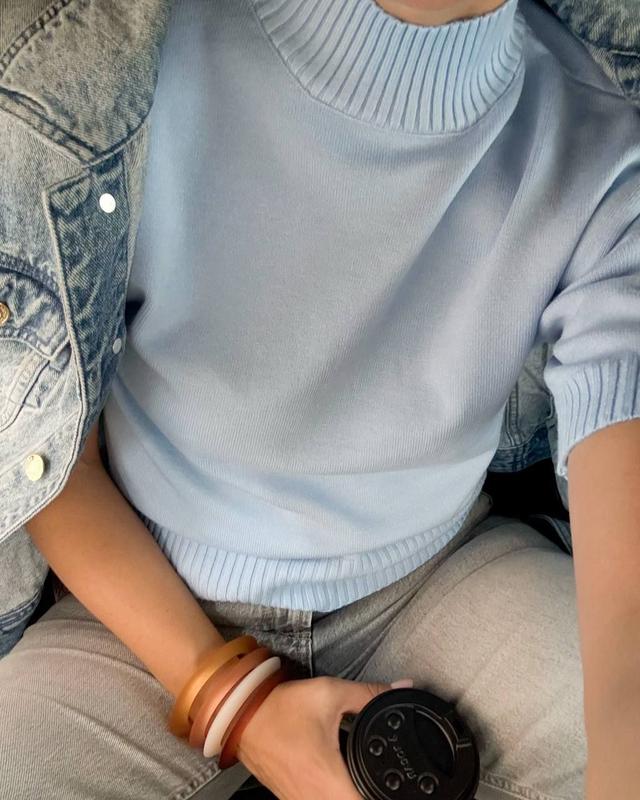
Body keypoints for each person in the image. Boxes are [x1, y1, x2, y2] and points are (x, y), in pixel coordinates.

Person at [0, 0, 639, 798]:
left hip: (438, 578)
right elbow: (45, 461)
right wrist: (234, 704)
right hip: (139, 599)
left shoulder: (600, 139)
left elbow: (625, 629)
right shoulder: (109, 66)